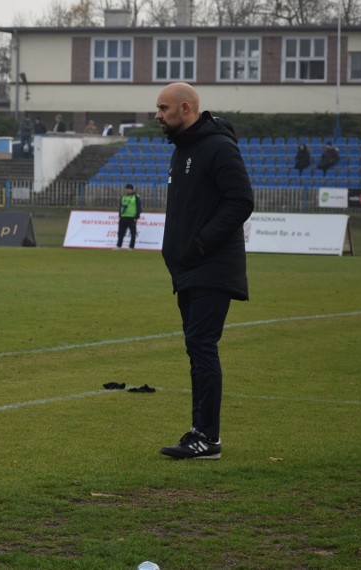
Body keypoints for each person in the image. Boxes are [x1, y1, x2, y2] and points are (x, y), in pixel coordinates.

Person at [153, 82, 254, 460]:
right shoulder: (182, 151)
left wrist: (201, 242)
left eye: (163, 109)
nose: (158, 116)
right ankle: (201, 432)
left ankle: (207, 437)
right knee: (196, 348)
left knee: (201, 345)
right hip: (188, 269)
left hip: (212, 266)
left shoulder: (218, 147)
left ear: (185, 108)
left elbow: (241, 200)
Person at [116, 183, 142, 249]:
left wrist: (136, 217)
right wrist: (120, 215)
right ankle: (119, 246)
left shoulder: (136, 197)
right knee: (120, 233)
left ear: (132, 190)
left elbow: (139, 207)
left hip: (132, 217)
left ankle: (131, 246)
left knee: (133, 233)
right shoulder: (123, 197)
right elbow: (120, 207)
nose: (127, 190)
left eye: (128, 189)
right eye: (126, 189)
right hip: (123, 217)